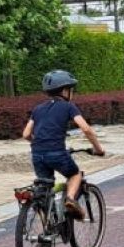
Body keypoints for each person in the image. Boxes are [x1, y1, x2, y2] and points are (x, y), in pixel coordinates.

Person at [22, 70, 105, 217]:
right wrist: (98, 149)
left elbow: (26, 134)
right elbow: (86, 129)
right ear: (65, 90)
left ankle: (46, 227)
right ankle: (70, 200)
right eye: (71, 90)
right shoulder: (68, 106)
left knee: (43, 190)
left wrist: (40, 143)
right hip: (56, 152)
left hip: (37, 154)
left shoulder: (38, 109)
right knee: (75, 174)